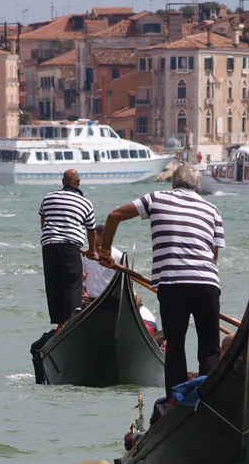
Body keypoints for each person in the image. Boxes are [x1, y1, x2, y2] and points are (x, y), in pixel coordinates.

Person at [100, 163, 224, 396]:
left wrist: (105, 252)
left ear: (173, 183)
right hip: (207, 282)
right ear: (198, 189)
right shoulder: (212, 210)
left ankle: (175, 400)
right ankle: (211, 399)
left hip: (172, 284)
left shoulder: (156, 198)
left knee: (175, 345)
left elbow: (113, 216)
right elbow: (213, 257)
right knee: (210, 350)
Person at [39, 169, 97, 327]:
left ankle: (59, 322)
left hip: (49, 246)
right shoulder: (85, 203)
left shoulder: (48, 197)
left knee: (54, 284)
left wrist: (52, 234)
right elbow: (91, 230)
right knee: (72, 285)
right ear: (78, 183)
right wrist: (91, 251)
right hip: (70, 247)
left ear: (63, 182)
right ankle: (72, 323)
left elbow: (43, 220)